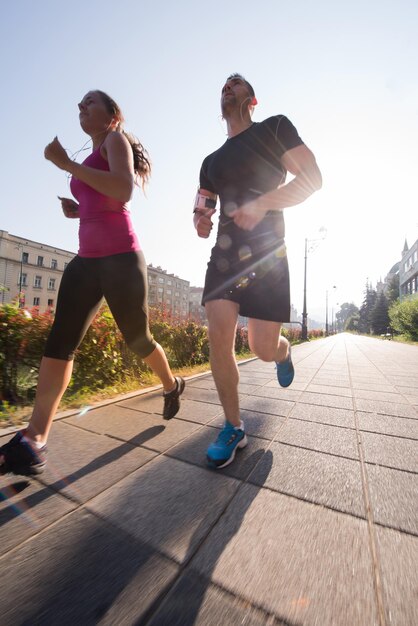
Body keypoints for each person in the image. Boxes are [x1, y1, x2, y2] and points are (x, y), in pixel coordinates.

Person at [1, 90, 185, 477]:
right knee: (60, 342)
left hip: (121, 258)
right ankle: (35, 438)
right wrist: (78, 209)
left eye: (89, 103)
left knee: (139, 340)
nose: (80, 108)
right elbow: (101, 199)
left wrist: (65, 162)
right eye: (79, 105)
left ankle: (171, 384)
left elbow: (121, 190)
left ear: (112, 115)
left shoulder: (116, 140)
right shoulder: (89, 158)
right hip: (86, 261)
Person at [193, 74, 322, 469]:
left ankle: (282, 352)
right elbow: (202, 208)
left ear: (253, 99)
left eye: (236, 83)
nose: (227, 87)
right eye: (223, 85)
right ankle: (233, 426)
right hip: (226, 258)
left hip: (268, 253)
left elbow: (312, 180)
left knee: (261, 347)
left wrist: (264, 203)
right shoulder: (210, 162)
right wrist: (200, 220)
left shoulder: (274, 129)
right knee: (219, 335)